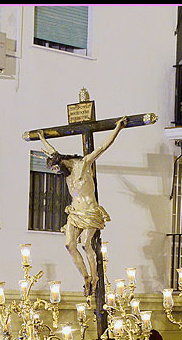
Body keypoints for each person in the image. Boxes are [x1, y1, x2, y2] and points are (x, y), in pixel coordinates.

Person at [37, 116, 128, 297]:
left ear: (61, 163)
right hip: (75, 212)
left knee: (87, 244)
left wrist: (117, 128)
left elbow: (102, 147)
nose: (56, 173)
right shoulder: (65, 170)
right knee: (69, 245)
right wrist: (41, 138)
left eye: (55, 169)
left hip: (90, 211)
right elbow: (51, 151)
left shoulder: (83, 164)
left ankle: (94, 278)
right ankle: (85, 277)